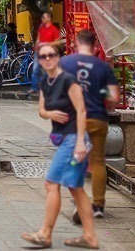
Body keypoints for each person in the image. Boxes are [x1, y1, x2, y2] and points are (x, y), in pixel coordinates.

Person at [21, 42, 99, 250]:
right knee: (75, 188)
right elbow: (42, 110)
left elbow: (81, 111)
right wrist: (50, 114)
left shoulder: (68, 80)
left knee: (51, 183)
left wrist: (81, 142)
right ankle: (90, 236)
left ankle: (45, 234)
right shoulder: (46, 82)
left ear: (58, 57)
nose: (47, 59)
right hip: (64, 139)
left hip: (74, 140)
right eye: (43, 56)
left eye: (51, 55)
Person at [61, 31, 119, 223]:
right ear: (94, 46)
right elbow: (113, 99)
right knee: (98, 162)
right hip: (98, 119)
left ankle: (79, 201)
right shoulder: (103, 67)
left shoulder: (66, 63)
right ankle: (99, 205)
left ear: (77, 43)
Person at [30, 12, 62, 95]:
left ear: (49, 18)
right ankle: (34, 88)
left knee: (47, 70)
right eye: (42, 17)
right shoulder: (42, 27)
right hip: (39, 51)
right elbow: (39, 37)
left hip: (48, 52)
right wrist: (37, 43)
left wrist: (46, 44)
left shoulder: (54, 29)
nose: (43, 19)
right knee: (35, 69)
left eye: (44, 17)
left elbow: (57, 42)